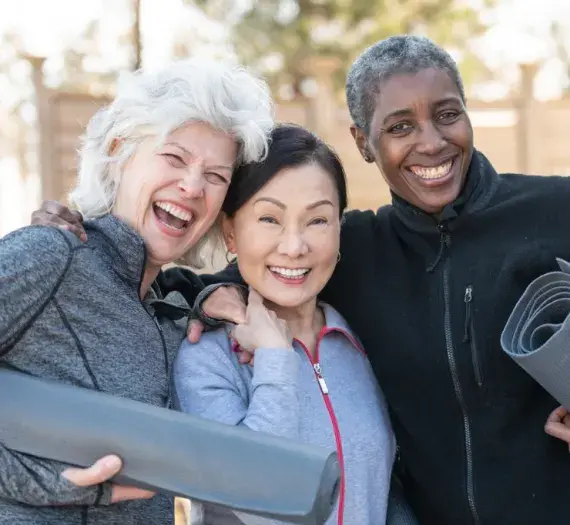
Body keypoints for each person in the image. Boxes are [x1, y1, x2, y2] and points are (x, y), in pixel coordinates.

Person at [30, 35, 570, 524]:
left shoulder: (554, 211)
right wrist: (108, 247)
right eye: (400, 126)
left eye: (448, 114)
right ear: (364, 143)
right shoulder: (359, 250)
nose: (431, 143)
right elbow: (220, 273)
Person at [0, 57, 273, 525]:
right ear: (120, 149)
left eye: (215, 176)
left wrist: (205, 297)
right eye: (174, 157)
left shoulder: (169, 306)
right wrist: (41, 480)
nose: (191, 186)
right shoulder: (53, 255)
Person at [173, 124, 409, 525]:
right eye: (269, 218)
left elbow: (385, 491)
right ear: (230, 232)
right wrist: (275, 357)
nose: (294, 246)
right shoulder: (205, 357)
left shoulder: (359, 342)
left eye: (317, 221)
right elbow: (259, 496)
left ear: (339, 230)